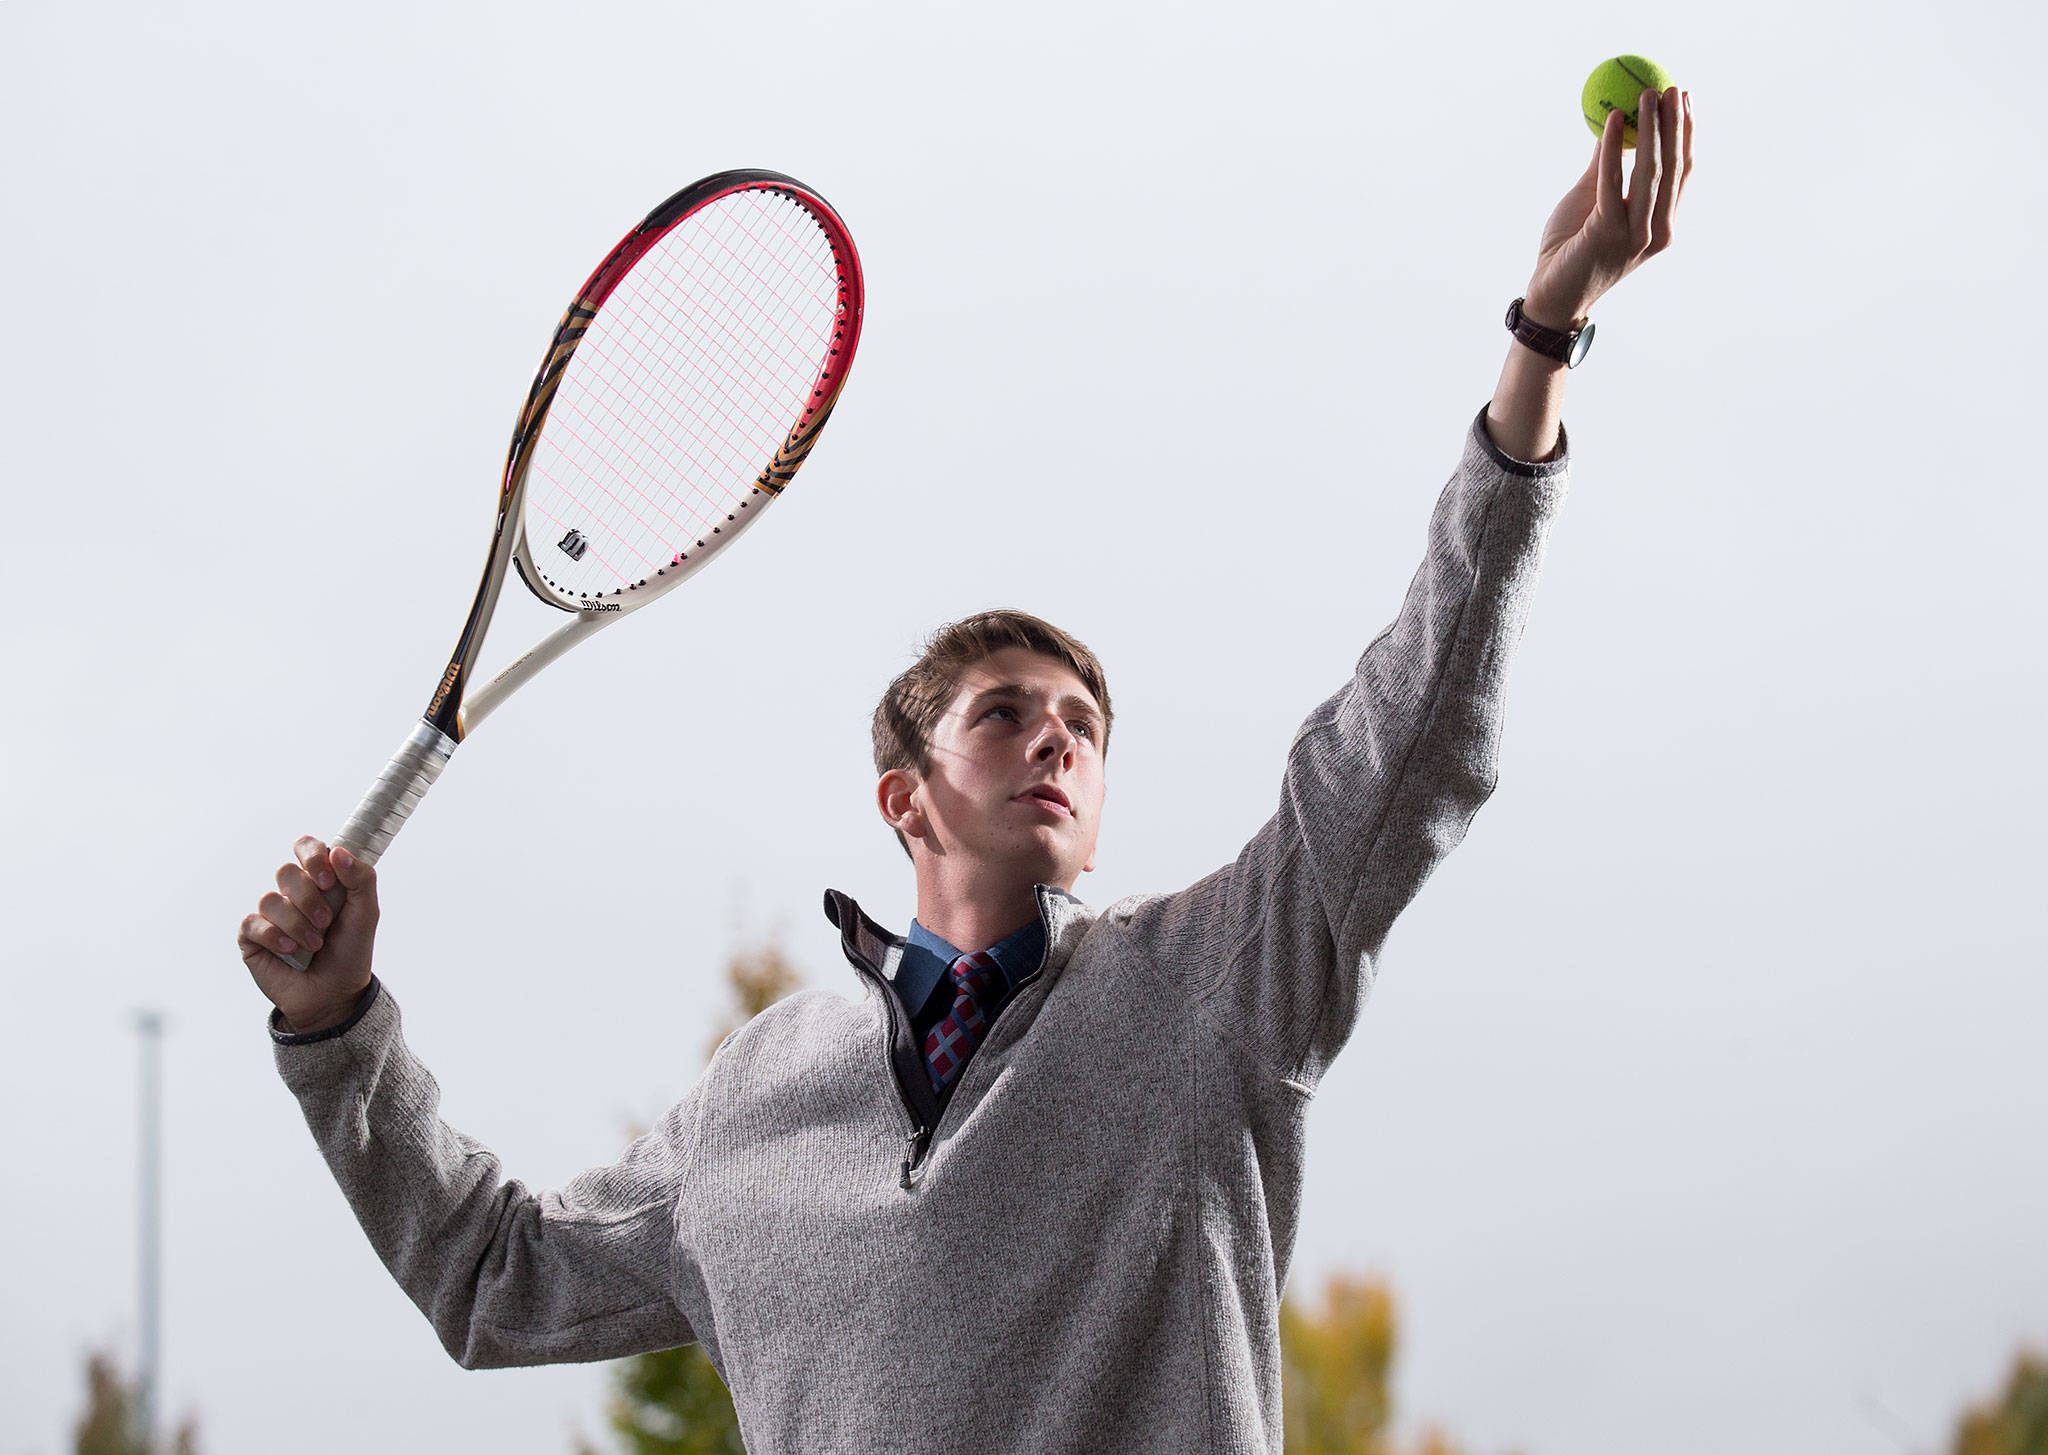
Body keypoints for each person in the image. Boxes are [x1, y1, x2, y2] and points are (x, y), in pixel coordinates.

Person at [240, 88, 1693, 1454]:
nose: (1058, 735)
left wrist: (1544, 337)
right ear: (905, 796)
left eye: (1085, 724)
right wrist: (334, 1022)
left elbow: (1414, 732)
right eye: (1007, 713)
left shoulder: (1208, 994)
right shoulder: (757, 1098)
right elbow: (495, 1281)